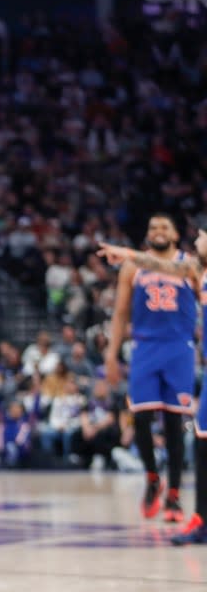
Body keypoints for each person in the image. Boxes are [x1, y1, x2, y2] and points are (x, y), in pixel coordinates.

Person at [99, 233, 207, 544]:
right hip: (176, 358)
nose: (197, 239)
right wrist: (127, 254)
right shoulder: (194, 271)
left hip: (179, 351)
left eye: (202, 236)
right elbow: (155, 263)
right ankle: (199, 518)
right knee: (201, 443)